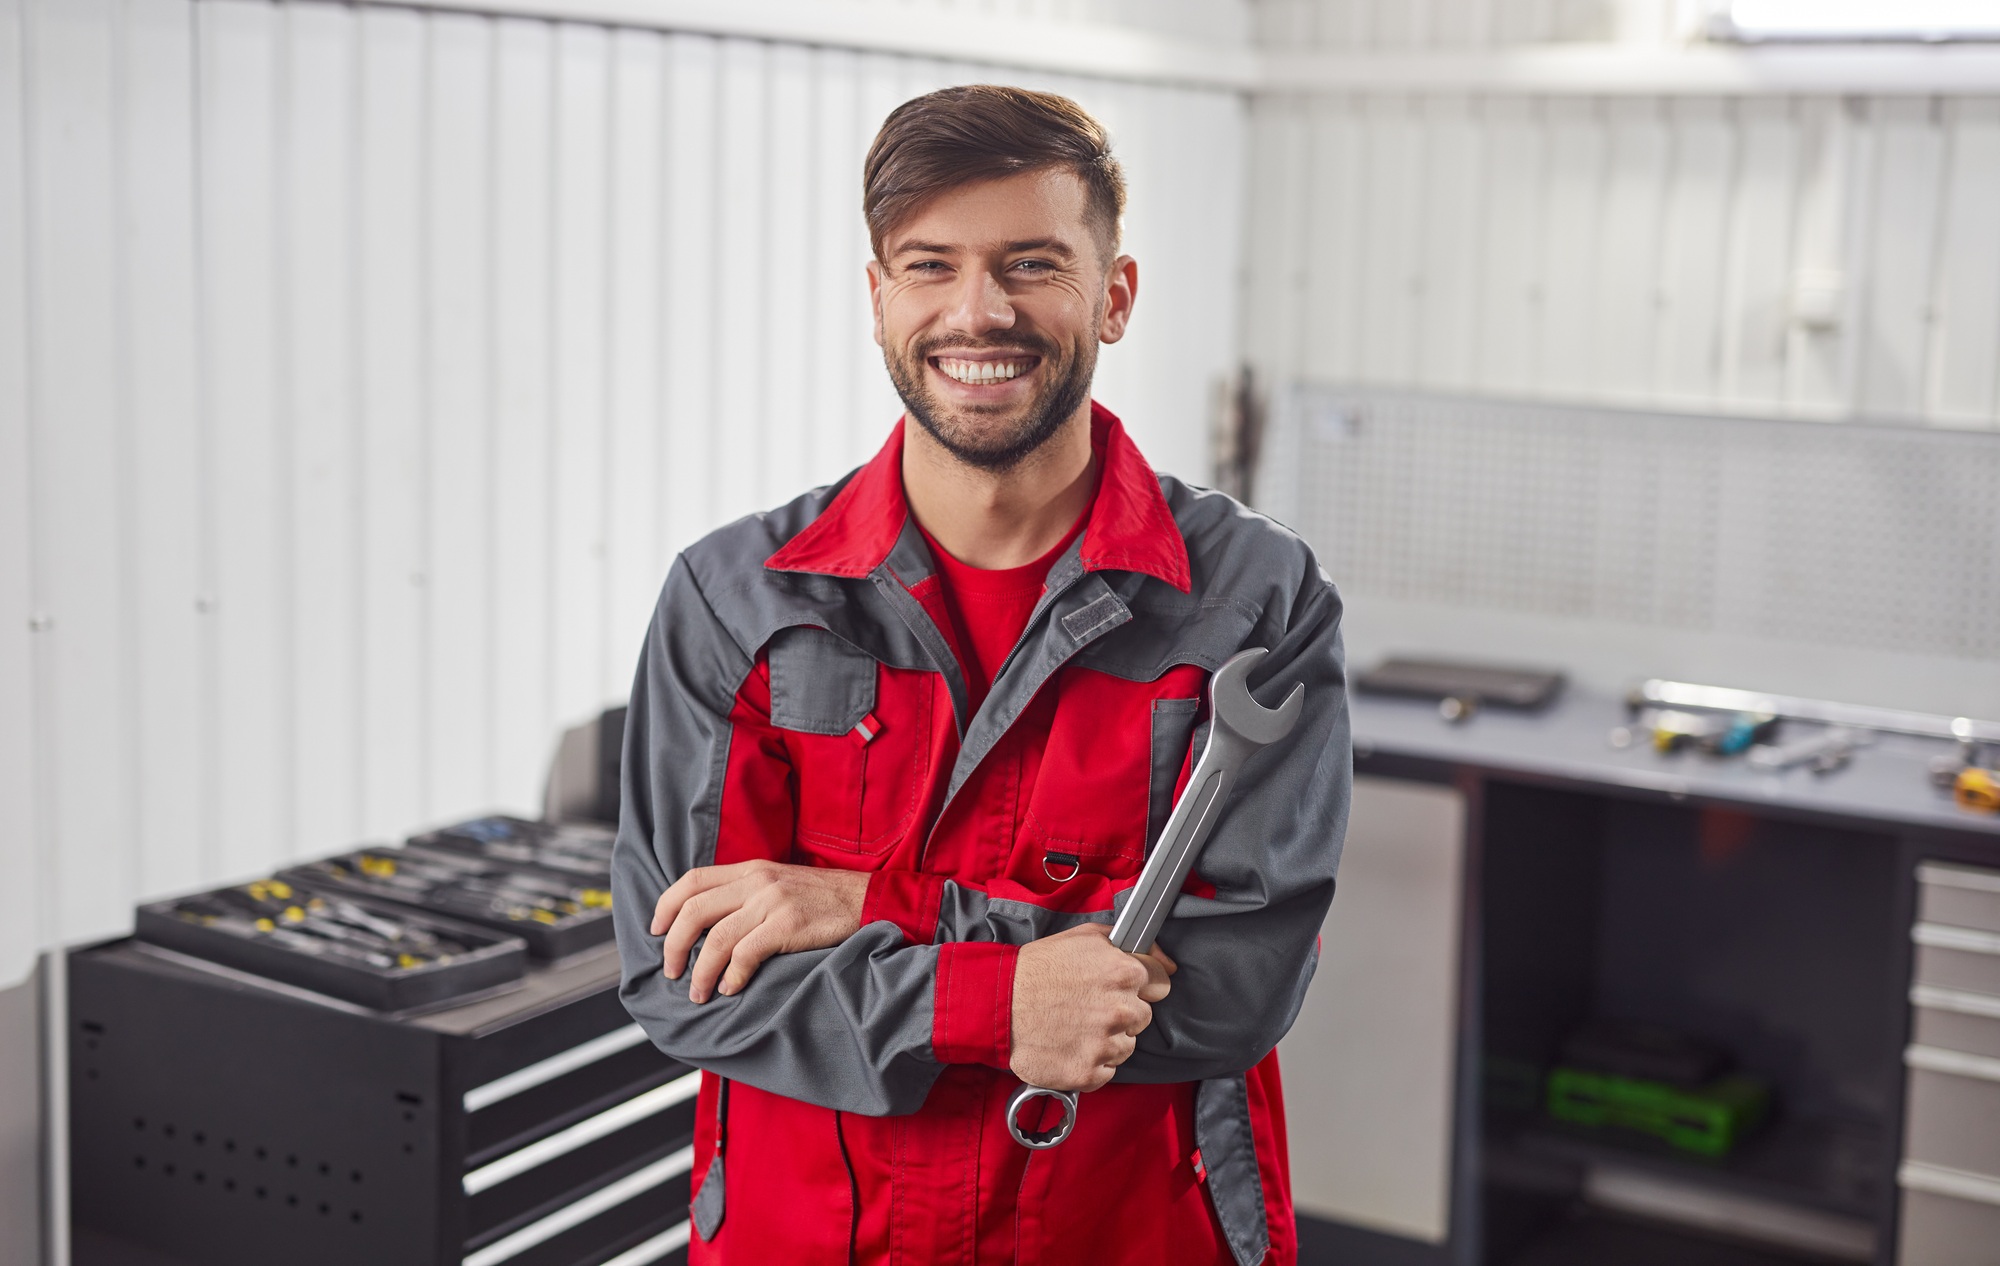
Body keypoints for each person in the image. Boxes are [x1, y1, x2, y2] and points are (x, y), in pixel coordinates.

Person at [611, 84, 1350, 1266]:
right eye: (928, 265)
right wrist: (996, 1002)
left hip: (1128, 1233)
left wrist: (859, 905)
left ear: (1112, 297)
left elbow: (1233, 987)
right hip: (808, 1237)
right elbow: (682, 975)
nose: (977, 311)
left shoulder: (1254, 601)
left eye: (1030, 263)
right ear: (876, 299)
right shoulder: (737, 598)